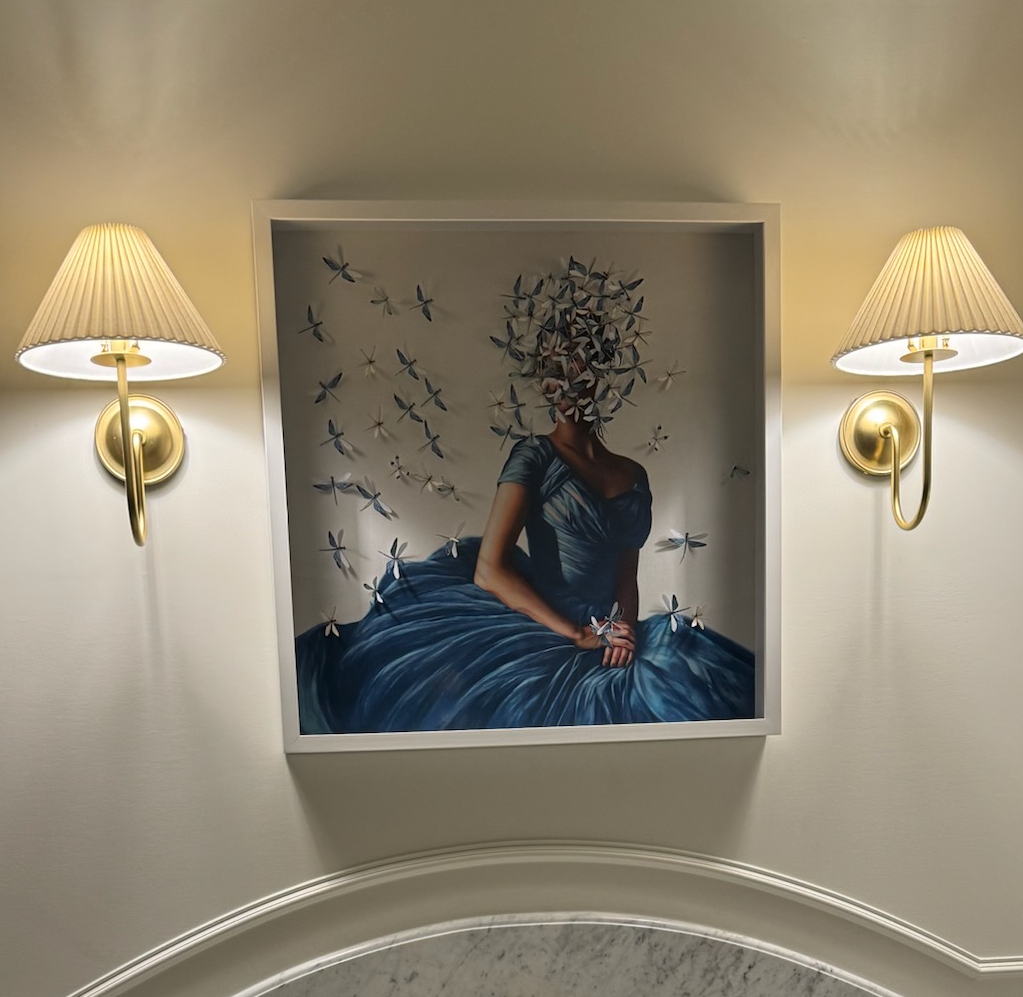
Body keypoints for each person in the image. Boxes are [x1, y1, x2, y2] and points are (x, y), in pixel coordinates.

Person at [295, 304, 755, 734]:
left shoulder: (634, 474)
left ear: (600, 375)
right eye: (553, 371)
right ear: (541, 380)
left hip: (606, 631)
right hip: (546, 625)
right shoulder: (534, 455)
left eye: (578, 367)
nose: (564, 382)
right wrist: (576, 632)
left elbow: (625, 577)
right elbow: (488, 570)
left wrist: (623, 634)